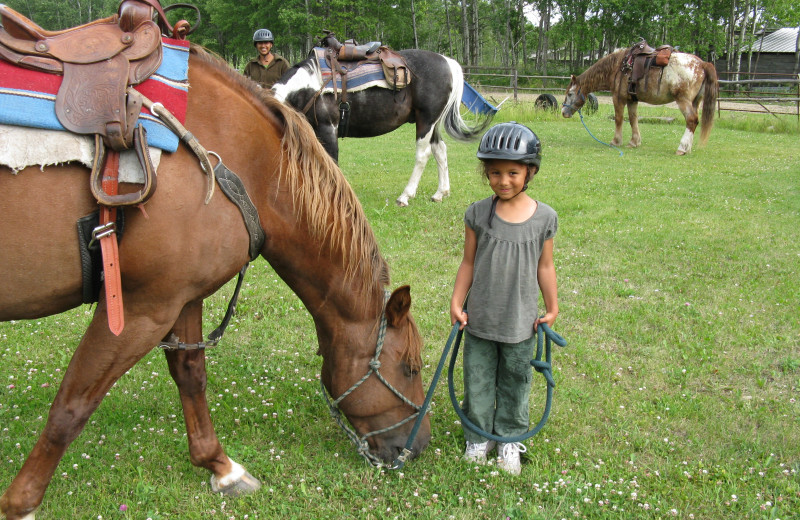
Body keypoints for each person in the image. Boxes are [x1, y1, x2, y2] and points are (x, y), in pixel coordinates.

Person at [449, 122, 559, 476]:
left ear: (531, 172)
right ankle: (480, 435)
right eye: (494, 172)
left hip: (520, 322)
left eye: (513, 172)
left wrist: (552, 307)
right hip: (480, 318)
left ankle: (510, 436)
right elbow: (468, 262)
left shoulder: (545, 218)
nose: (503, 180)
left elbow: (545, 266)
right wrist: (456, 301)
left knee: (515, 379)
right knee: (477, 378)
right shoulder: (478, 214)